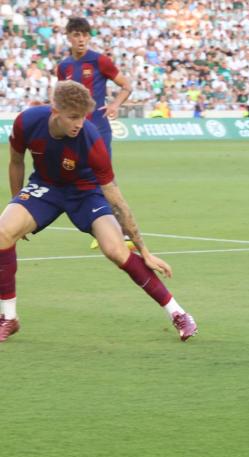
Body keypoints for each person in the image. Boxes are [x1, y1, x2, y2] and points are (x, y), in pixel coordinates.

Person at [1, 81, 197, 342]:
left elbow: (116, 199)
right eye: (73, 117)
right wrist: (18, 202)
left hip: (86, 192)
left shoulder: (90, 139)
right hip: (45, 187)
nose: (79, 123)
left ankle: (178, 313)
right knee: (3, 232)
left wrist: (144, 250)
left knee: (116, 251)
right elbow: (16, 162)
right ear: (55, 111)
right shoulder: (26, 122)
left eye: (82, 117)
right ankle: (9, 318)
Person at [56, 17, 133, 156]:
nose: (81, 39)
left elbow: (126, 86)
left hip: (98, 128)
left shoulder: (100, 60)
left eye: (85, 35)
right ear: (68, 37)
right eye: (76, 35)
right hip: (72, 131)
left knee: (104, 176)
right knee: (72, 175)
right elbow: (62, 100)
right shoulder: (63, 67)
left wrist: (115, 105)